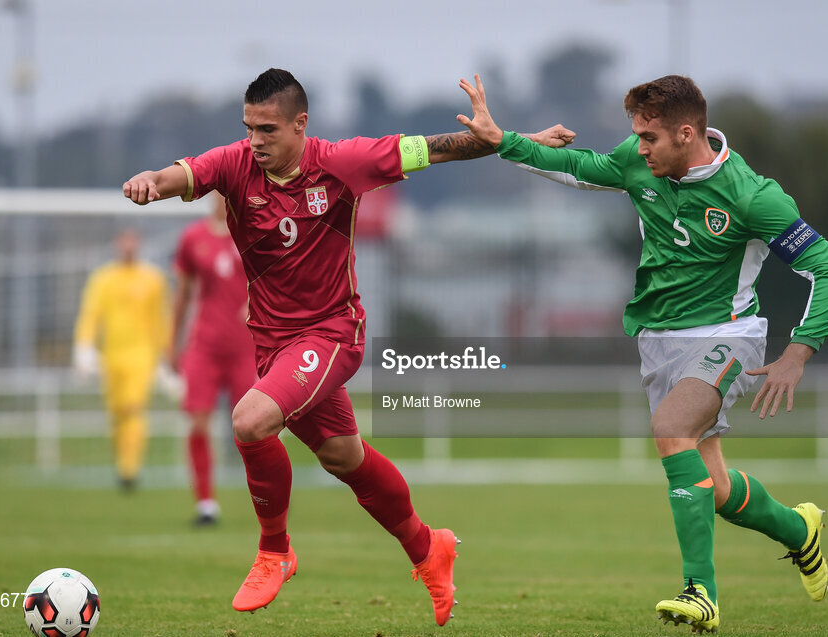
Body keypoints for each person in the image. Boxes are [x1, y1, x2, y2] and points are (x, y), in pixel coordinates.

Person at [122, 68, 568, 626]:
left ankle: (275, 552)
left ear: (299, 125)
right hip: (273, 343)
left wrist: (517, 140)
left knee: (250, 421)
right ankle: (430, 548)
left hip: (332, 334)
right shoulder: (235, 164)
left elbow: (440, 148)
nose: (255, 140)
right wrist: (149, 181)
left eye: (267, 129)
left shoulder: (342, 162)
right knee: (344, 458)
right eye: (248, 127)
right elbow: (179, 174)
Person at [456, 74, 828, 633]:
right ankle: (799, 530)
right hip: (659, 342)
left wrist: (798, 353)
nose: (638, 148)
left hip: (728, 335)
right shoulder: (639, 160)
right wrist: (503, 141)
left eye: (648, 138)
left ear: (687, 133)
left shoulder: (753, 196)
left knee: (671, 429)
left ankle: (701, 592)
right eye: (636, 136)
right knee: (711, 489)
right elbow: (579, 169)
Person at [170, 191, 258, 526]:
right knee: (197, 422)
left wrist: (256, 301)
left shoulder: (253, 234)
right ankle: (206, 503)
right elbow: (182, 294)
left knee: (255, 429)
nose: (222, 201)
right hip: (203, 346)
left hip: (245, 347)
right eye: (217, 194)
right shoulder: (193, 238)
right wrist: (172, 344)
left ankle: (266, 502)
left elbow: (274, 280)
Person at [74, 228, 171, 491]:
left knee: (134, 407)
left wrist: (165, 356)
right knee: (117, 413)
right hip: (111, 356)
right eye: (123, 241)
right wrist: (83, 347)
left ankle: (130, 469)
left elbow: (161, 319)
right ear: (117, 244)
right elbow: (91, 314)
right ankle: (122, 464)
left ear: (139, 244)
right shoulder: (103, 279)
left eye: (133, 241)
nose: (128, 246)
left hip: (142, 356)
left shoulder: (153, 279)